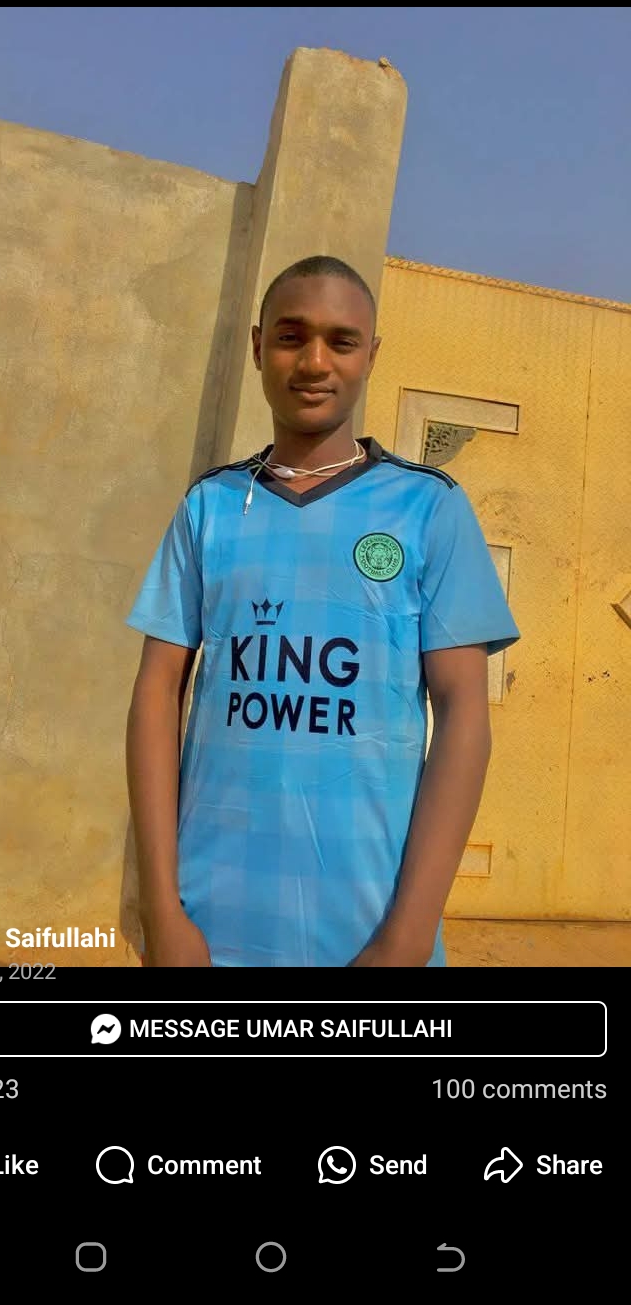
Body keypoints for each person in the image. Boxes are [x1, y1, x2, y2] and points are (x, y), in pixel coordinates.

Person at [125, 254, 520, 967]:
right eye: (290, 336)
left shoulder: (428, 507)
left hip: (370, 929)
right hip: (210, 923)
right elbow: (157, 694)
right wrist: (162, 909)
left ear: (371, 355)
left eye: (341, 341)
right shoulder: (211, 506)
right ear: (257, 347)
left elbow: (464, 714)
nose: (314, 362)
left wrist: (408, 935)